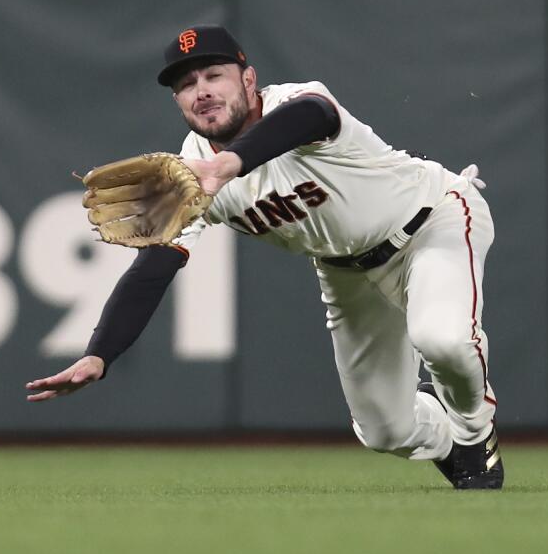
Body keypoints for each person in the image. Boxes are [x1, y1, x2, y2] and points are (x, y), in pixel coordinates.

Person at [27, 25, 503, 489]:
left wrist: (227, 165)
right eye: (186, 84)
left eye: (214, 75)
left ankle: (475, 434)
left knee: (442, 340)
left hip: (431, 220)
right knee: (385, 432)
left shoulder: (297, 103)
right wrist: (100, 354)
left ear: (249, 79)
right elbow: (154, 266)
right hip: (346, 270)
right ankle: (448, 439)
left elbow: (313, 115)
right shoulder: (190, 173)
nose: (202, 91)